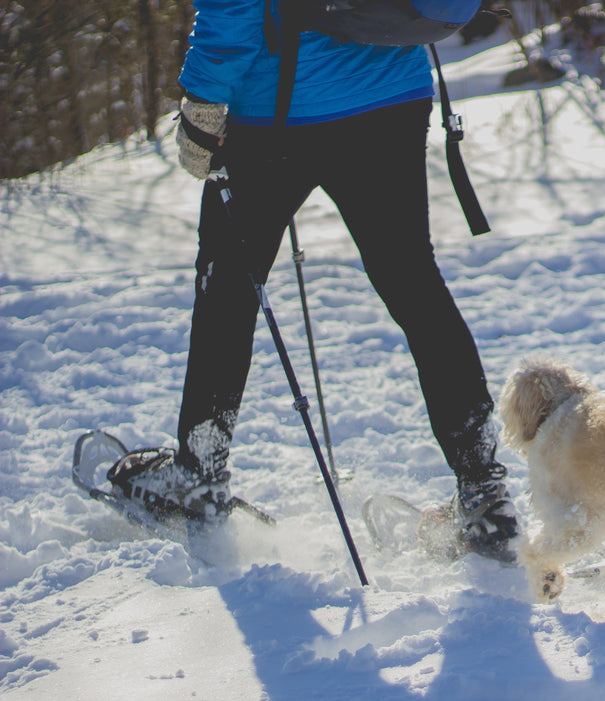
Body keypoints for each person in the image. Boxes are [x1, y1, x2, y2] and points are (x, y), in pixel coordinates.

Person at [108, 0, 519, 562]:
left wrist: (204, 100)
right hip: (390, 95)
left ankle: (197, 476)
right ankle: (484, 497)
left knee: (229, 288)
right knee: (414, 286)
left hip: (271, 115)